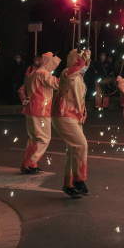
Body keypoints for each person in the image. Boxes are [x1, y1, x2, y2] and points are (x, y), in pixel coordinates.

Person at [19, 52, 82, 173]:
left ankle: (29, 164)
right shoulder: (44, 74)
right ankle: (30, 163)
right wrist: (73, 70)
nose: (54, 67)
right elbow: (59, 83)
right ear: (49, 63)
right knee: (44, 138)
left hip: (30, 110)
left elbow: (21, 89)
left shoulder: (33, 73)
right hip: (40, 111)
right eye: (54, 65)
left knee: (34, 138)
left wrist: (25, 100)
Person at [51, 49, 91, 198]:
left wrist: (82, 113)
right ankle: (79, 180)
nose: (86, 63)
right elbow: (69, 76)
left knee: (72, 151)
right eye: (83, 60)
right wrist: (81, 62)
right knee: (81, 145)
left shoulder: (80, 76)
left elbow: (79, 97)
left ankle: (69, 185)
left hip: (73, 116)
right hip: (63, 114)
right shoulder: (67, 72)